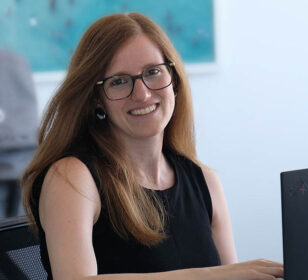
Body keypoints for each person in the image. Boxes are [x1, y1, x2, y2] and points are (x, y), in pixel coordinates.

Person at [22, 13, 283, 280]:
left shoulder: (205, 181)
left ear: (174, 77)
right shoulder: (72, 177)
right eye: (119, 81)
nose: (143, 94)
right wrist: (207, 276)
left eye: (153, 72)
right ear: (96, 99)